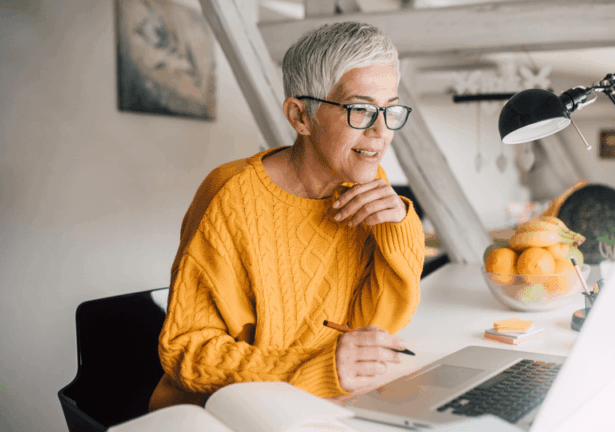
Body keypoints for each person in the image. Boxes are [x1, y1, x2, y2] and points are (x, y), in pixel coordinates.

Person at [148, 22, 425, 411]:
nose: (381, 132)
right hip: (216, 413)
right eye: (360, 109)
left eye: (390, 109)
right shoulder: (230, 196)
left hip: (313, 405)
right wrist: (314, 369)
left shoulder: (362, 185)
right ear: (300, 117)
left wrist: (399, 227)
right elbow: (188, 352)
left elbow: (377, 325)